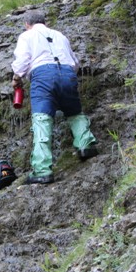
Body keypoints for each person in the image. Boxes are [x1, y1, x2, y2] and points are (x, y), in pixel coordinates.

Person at [11, 9, 98, 185]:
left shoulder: (26, 36)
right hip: (67, 73)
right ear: (45, 22)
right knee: (74, 112)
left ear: (27, 24)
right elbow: (74, 62)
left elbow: (22, 60)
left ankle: (42, 170)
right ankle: (85, 146)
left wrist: (16, 78)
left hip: (42, 76)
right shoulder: (60, 35)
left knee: (42, 119)